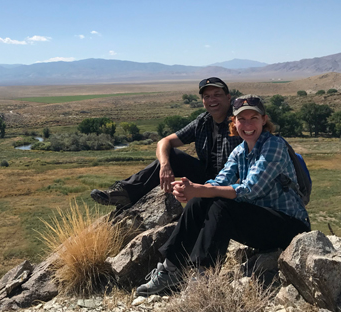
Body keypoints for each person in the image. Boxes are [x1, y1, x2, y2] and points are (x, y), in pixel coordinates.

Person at [135, 95, 311, 296]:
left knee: (221, 204)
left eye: (253, 117)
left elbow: (251, 190)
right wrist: (191, 190)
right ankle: (171, 269)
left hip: (291, 227)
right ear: (234, 122)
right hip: (262, 223)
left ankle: (204, 276)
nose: (247, 124)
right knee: (203, 198)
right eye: (241, 119)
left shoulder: (274, 146)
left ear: (264, 119)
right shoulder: (239, 151)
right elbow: (219, 182)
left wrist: (201, 189)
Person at [91, 77, 243, 208]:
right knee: (170, 155)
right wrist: (165, 166)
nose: (212, 100)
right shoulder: (202, 122)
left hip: (233, 182)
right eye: (207, 96)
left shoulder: (240, 122)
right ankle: (124, 195)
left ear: (228, 97)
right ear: (203, 101)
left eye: (217, 95)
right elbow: (164, 142)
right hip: (207, 175)